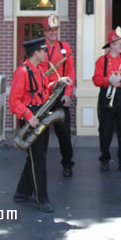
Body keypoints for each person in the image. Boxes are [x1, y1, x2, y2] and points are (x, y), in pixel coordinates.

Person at [9, 37, 72, 213]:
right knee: (39, 159)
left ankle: (22, 192)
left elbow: (44, 89)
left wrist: (58, 82)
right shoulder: (22, 71)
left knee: (36, 156)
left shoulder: (39, 71)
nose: (46, 53)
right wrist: (29, 116)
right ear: (36, 52)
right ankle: (41, 199)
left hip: (39, 114)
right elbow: (14, 101)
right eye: (44, 50)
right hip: (32, 117)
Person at [92, 27, 121, 173]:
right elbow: (96, 79)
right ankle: (104, 158)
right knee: (105, 130)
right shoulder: (101, 61)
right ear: (111, 44)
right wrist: (108, 80)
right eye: (119, 44)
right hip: (106, 96)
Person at [37, 14, 76, 178]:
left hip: (60, 95)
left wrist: (68, 94)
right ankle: (40, 164)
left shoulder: (65, 47)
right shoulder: (39, 49)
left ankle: (67, 164)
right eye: (50, 30)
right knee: (42, 135)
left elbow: (71, 73)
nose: (53, 33)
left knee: (64, 133)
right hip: (44, 95)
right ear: (44, 32)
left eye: (55, 29)